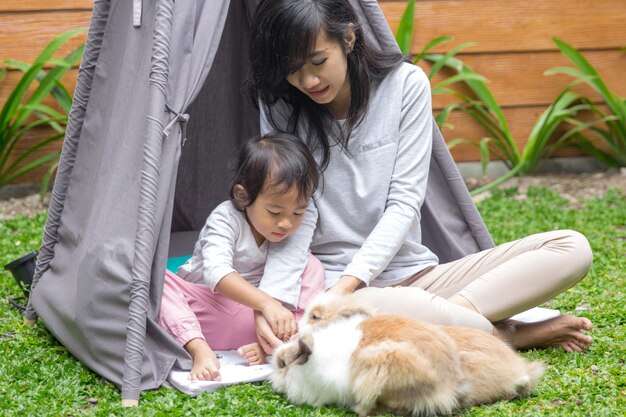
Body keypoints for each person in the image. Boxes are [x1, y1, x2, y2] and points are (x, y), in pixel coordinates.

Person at [248, 0, 594, 354]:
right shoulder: (282, 106)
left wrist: (350, 286)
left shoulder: (405, 85)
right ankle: (507, 336)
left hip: (419, 279)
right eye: (292, 69)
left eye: (318, 62)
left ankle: (449, 327)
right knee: (363, 315)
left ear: (349, 38)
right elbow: (290, 213)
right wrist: (272, 301)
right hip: (341, 291)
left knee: (571, 248)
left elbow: (404, 204)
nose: (308, 80)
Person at [158, 132, 324, 381]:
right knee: (157, 281)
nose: (287, 223)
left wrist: (270, 310)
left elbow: (295, 283)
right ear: (243, 196)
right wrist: (267, 304)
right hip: (208, 310)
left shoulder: (291, 230)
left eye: (298, 212)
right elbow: (217, 273)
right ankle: (198, 349)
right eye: (274, 211)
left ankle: (271, 345)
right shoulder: (225, 219)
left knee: (313, 266)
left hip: (263, 322)